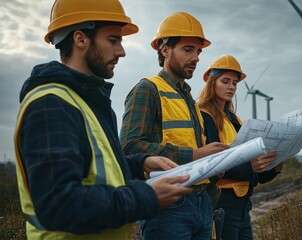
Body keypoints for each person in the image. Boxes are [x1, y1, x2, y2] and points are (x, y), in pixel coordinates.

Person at [13, 1, 192, 239]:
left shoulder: (86, 100)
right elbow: (58, 204)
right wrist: (146, 196)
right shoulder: (51, 105)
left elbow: (96, 169)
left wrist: (141, 164)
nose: (121, 51)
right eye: (113, 40)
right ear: (80, 39)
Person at [119, 12, 229, 240]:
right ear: (165, 49)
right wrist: (196, 154)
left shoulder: (190, 100)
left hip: (202, 201)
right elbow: (130, 147)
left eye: (198, 51)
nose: (196, 57)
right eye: (188, 49)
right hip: (169, 208)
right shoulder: (147, 89)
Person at [197, 55, 283, 240]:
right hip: (222, 202)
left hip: (243, 204)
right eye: (225, 81)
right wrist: (249, 166)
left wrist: (273, 167)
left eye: (235, 83)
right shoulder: (204, 116)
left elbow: (252, 174)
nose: (231, 87)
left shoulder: (236, 121)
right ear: (212, 83)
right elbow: (210, 165)